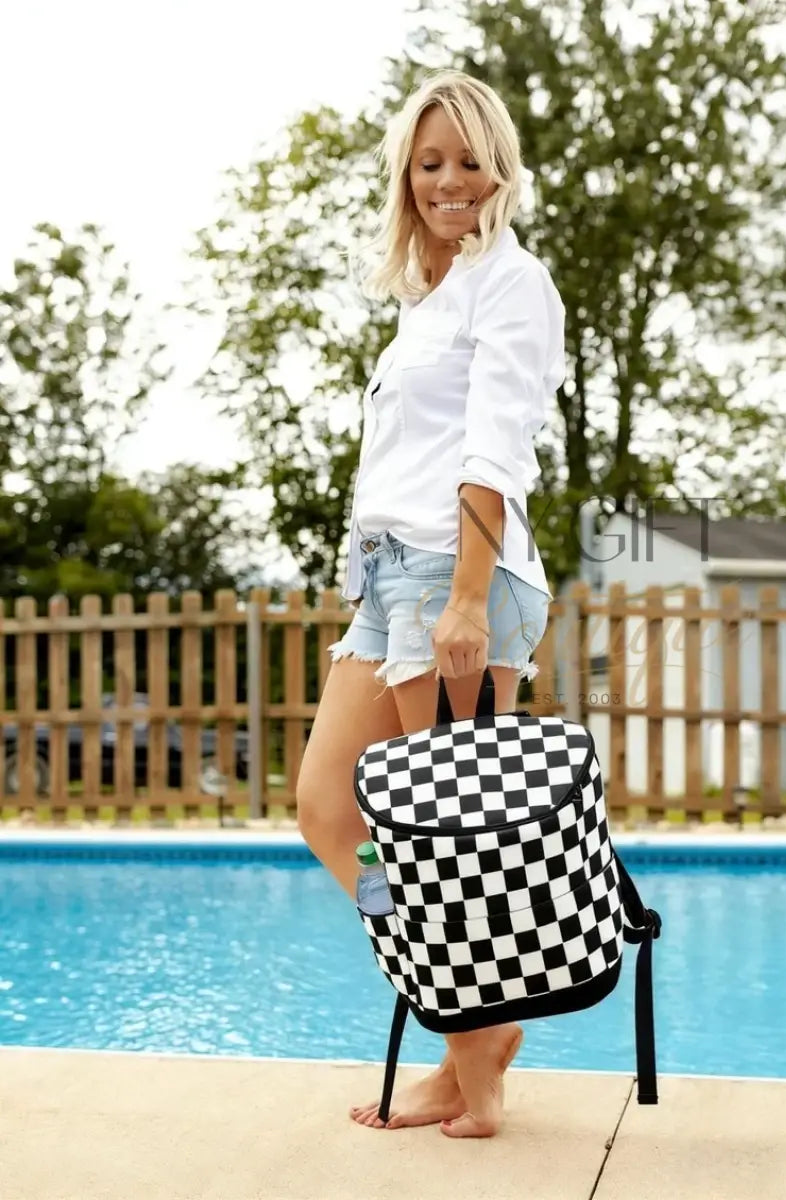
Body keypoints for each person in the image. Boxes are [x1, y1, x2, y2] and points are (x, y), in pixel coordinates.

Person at [297, 68, 566, 1139]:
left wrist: (462, 599)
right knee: (329, 810)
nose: (449, 181)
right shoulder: (429, 301)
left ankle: (473, 1064)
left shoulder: (514, 282)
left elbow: (495, 443)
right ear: (407, 181)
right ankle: (474, 1024)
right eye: (428, 164)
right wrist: (370, 594)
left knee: (446, 840)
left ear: (498, 165)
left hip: (458, 579)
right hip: (389, 581)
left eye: (465, 159)